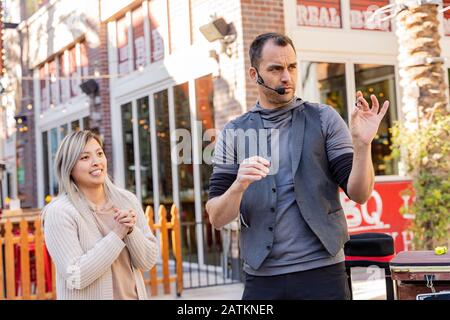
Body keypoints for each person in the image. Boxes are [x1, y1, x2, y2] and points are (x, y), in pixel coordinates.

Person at [206, 32, 389, 300]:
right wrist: (238, 186)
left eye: (292, 67)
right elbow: (216, 217)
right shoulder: (234, 132)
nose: (287, 77)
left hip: (323, 273)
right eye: (276, 69)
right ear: (253, 74)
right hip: (262, 278)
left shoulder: (324, 118)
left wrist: (362, 144)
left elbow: (359, 194)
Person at [42, 130, 159, 300]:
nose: (96, 162)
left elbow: (148, 262)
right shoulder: (59, 212)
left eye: (99, 154)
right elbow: (76, 277)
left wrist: (132, 232)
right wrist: (118, 234)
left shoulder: (127, 200)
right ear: (69, 168)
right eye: (85, 158)